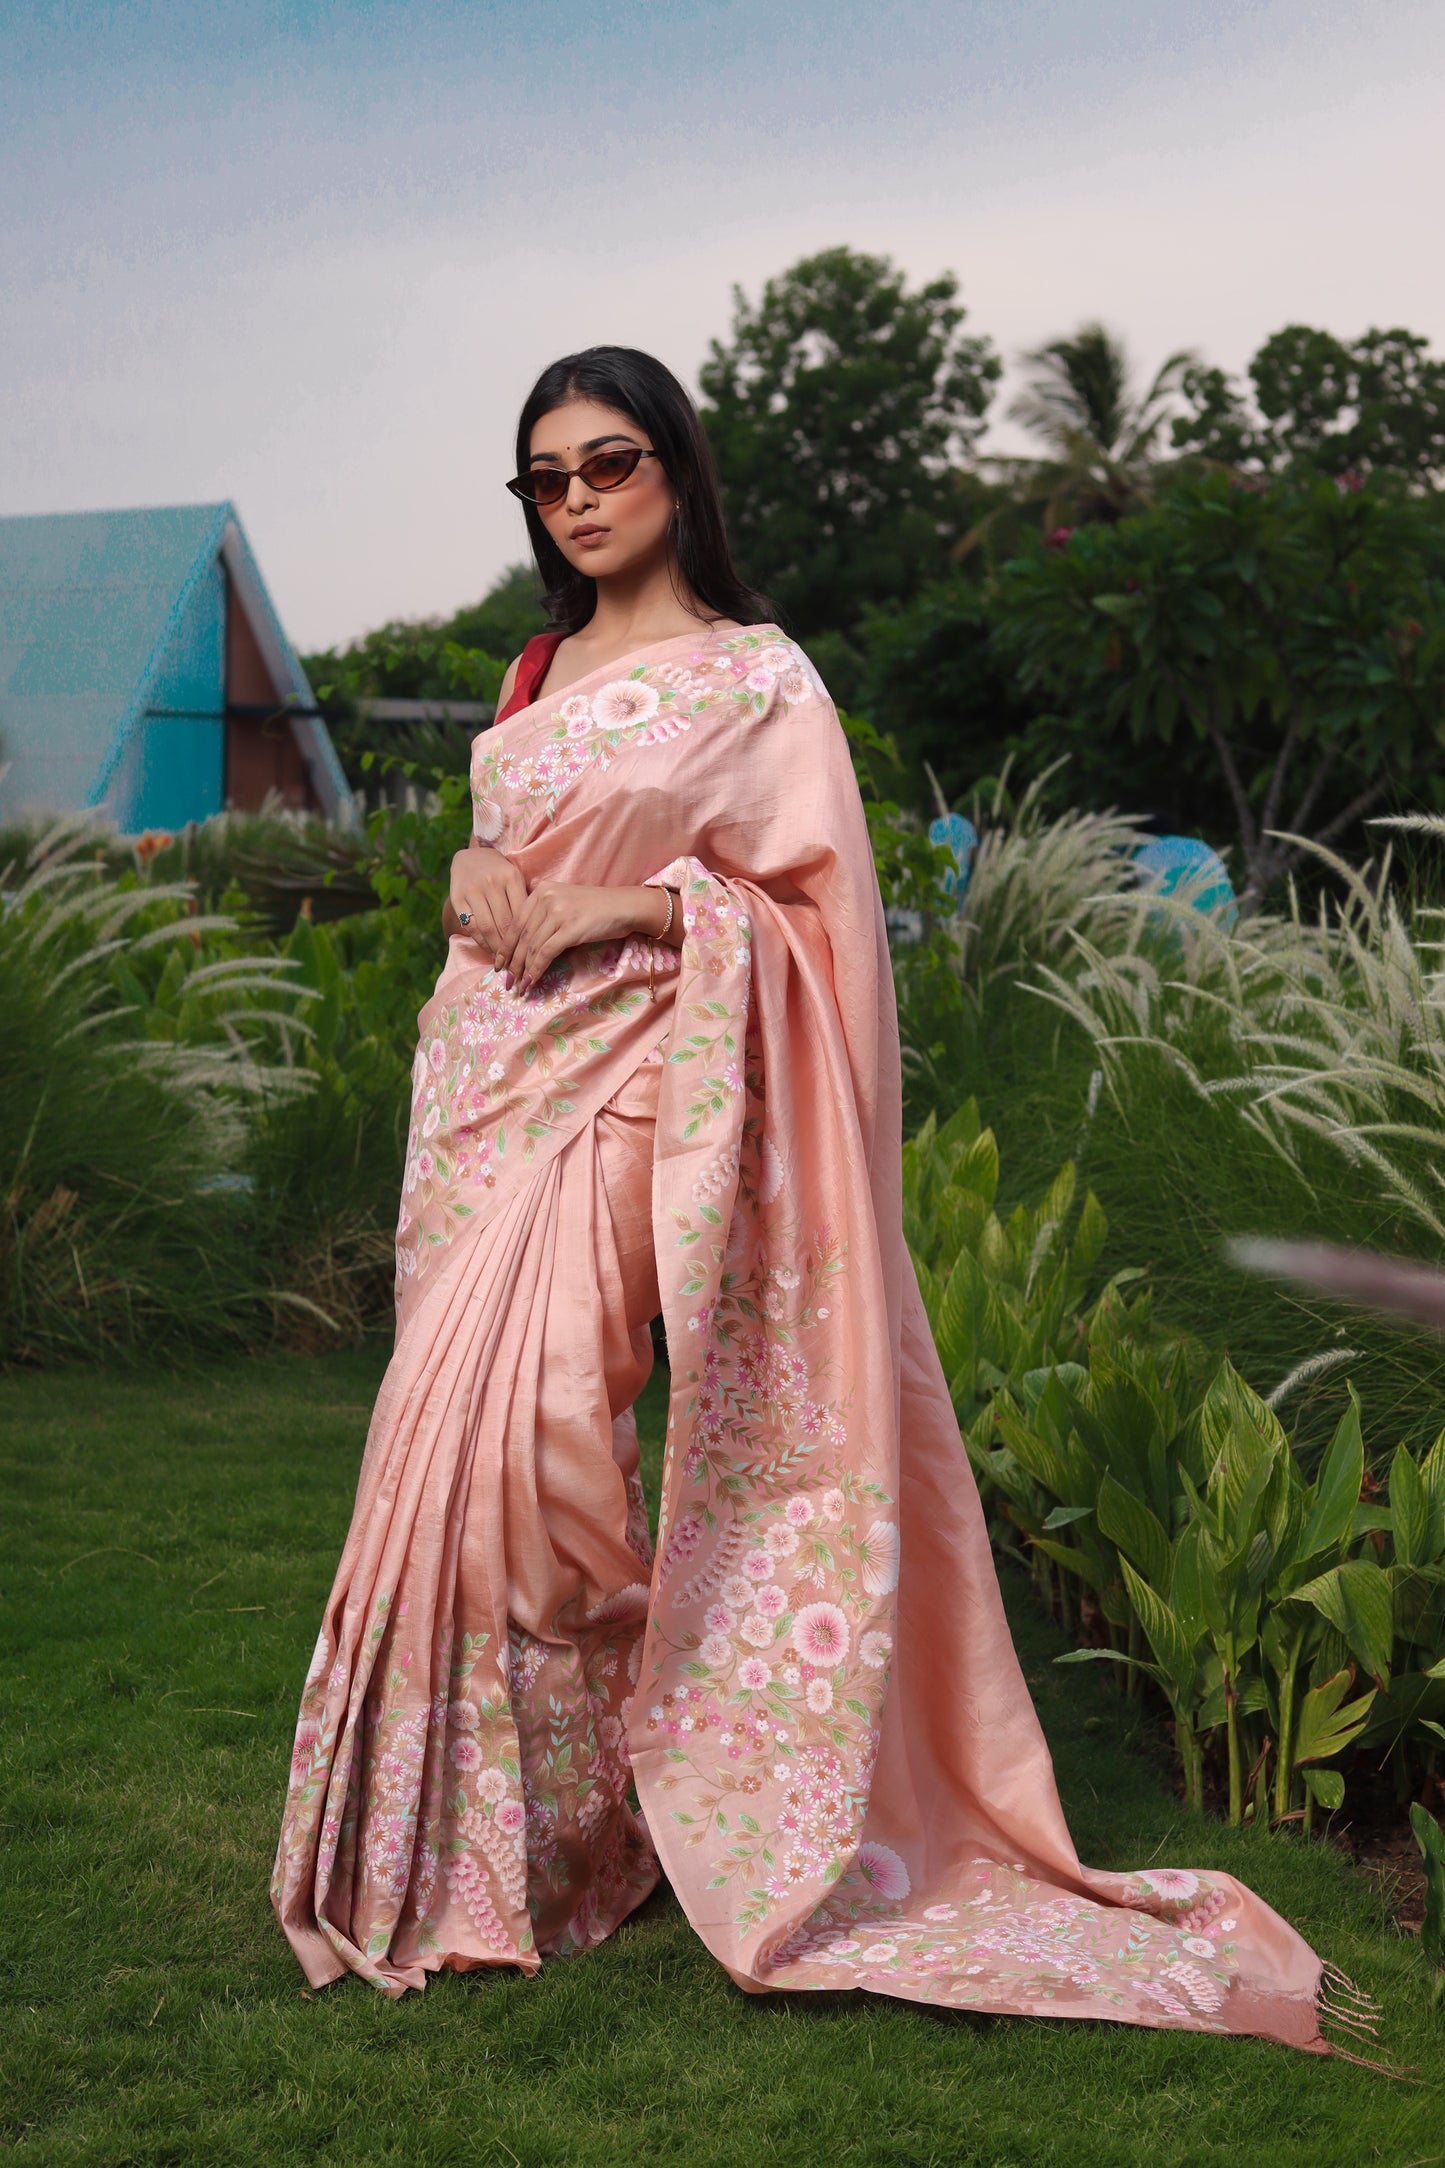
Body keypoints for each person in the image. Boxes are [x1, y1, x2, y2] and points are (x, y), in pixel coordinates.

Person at [271, 346, 1353, 2056]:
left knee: (553, 1443)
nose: (577, 498)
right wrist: (484, 875)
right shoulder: (532, 665)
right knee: (448, 1448)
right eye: (543, 478)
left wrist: (626, 912)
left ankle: (636, 1791)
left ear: (678, 472)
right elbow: (505, 869)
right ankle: (520, 1850)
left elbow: (809, 914)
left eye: (606, 462)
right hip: (482, 1092)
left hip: (639, 1083)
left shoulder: (755, 677)